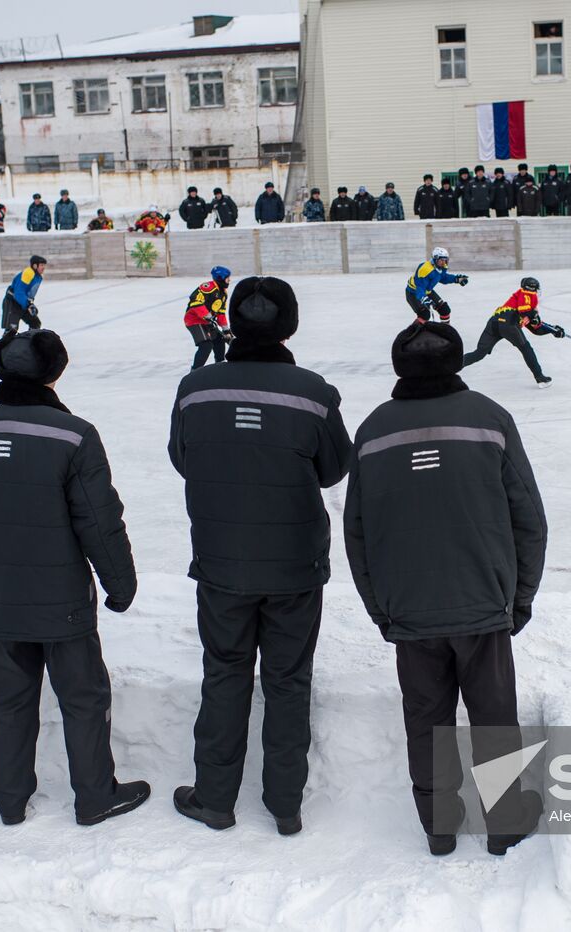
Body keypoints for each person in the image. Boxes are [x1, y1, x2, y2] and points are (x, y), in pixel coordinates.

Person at [343, 322, 547, 857]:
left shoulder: (372, 431)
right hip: (483, 603)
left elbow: (357, 533)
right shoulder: (490, 419)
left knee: (426, 720)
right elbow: (529, 517)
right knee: (494, 714)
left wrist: (381, 610)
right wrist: (519, 597)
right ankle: (504, 822)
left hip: (409, 611)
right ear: (457, 362)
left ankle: (439, 826)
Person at [0, 329, 147, 827]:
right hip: (61, 600)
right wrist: (120, 583)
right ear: (55, 373)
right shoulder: (72, 434)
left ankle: (9, 798)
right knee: (84, 698)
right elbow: (99, 520)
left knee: (6, 700)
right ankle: (95, 796)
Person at [168, 276, 352, 837]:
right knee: (288, 681)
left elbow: (183, 457)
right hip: (294, 565)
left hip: (222, 563)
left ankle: (216, 798)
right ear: (288, 326)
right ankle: (286, 805)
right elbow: (333, 469)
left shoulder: (195, 388)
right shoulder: (313, 393)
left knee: (223, 673)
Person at [461, 276, 565, 386]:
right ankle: (540, 378)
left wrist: (552, 330)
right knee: (526, 348)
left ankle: (450, 367)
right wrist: (535, 317)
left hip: (494, 322)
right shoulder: (527, 296)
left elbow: (536, 328)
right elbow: (525, 312)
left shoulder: (520, 299)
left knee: (479, 353)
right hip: (508, 323)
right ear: (533, 289)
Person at [185, 266, 233, 371]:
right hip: (194, 320)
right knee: (206, 345)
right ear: (220, 278)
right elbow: (196, 302)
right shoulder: (208, 288)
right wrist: (209, 317)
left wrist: (226, 329)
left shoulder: (223, 293)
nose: (229, 280)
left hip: (207, 321)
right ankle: (195, 371)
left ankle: (219, 367)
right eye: (227, 278)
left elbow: (220, 312)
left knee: (219, 340)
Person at [406, 247, 468, 323]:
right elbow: (420, 288)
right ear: (435, 259)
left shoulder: (441, 267)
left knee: (444, 309)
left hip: (427, 291)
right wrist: (424, 298)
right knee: (424, 314)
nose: (444, 263)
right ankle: (415, 332)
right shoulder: (425, 269)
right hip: (413, 293)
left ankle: (445, 330)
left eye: (445, 260)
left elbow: (443, 277)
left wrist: (456, 279)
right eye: (441, 260)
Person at [2, 255, 46, 333]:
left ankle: (29, 343)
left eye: (44, 265)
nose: (44, 268)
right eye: (41, 265)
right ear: (35, 265)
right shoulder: (28, 273)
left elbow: (29, 294)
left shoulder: (38, 276)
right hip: (13, 303)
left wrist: (31, 304)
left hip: (22, 303)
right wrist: (28, 304)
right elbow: (19, 292)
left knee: (35, 323)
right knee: (11, 331)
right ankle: (5, 345)